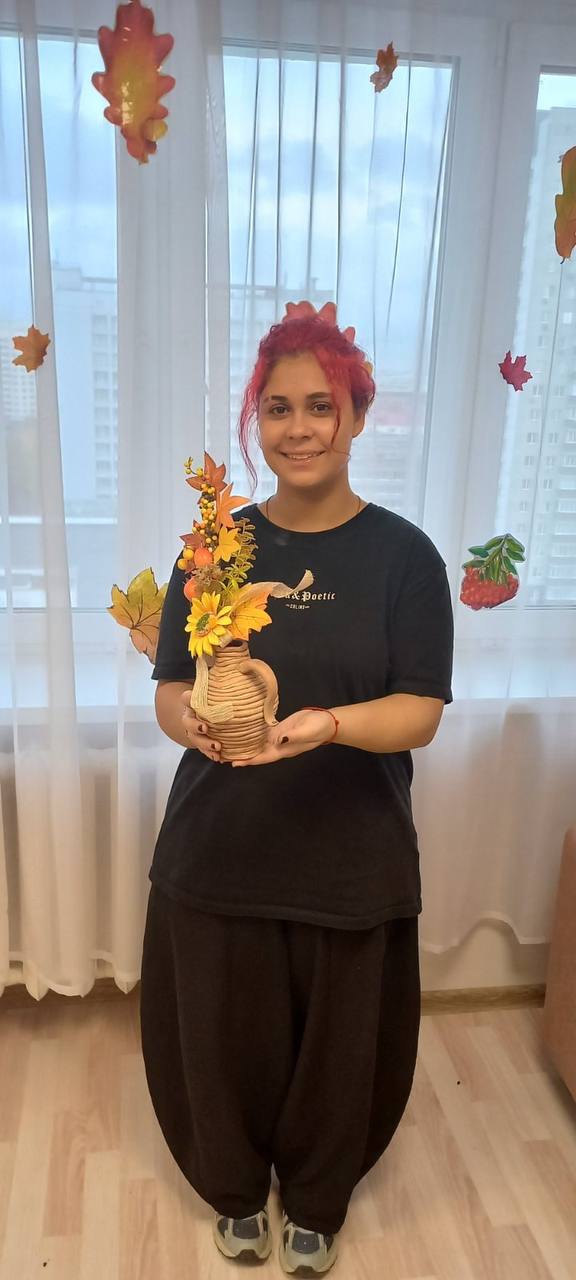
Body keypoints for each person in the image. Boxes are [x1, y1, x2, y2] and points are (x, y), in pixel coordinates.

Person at [139, 303, 454, 1277]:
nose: (301, 427)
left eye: (322, 405)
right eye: (278, 408)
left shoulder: (405, 558)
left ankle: (317, 1197)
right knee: (220, 1031)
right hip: (220, 845)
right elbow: (170, 689)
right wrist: (192, 723)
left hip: (351, 852)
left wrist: (328, 724)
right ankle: (233, 1187)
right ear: (257, 422)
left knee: (338, 1047)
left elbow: (420, 710)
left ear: (356, 415)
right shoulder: (212, 549)